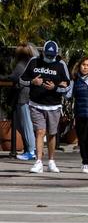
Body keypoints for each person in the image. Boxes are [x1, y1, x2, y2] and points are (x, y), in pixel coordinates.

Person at [18, 40, 70, 173]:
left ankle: (51, 161)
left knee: (52, 134)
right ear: (43, 52)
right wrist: (32, 82)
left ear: (56, 54)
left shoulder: (61, 64)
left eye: (52, 55)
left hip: (53, 105)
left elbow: (67, 86)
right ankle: (39, 161)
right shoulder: (34, 61)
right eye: (48, 55)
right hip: (36, 104)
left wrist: (55, 88)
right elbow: (21, 79)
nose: (50, 58)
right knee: (40, 132)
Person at [7, 43, 36, 161]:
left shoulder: (21, 64)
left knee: (26, 125)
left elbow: (13, 77)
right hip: (31, 96)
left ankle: (31, 151)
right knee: (25, 124)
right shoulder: (33, 63)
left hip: (23, 97)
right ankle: (31, 149)